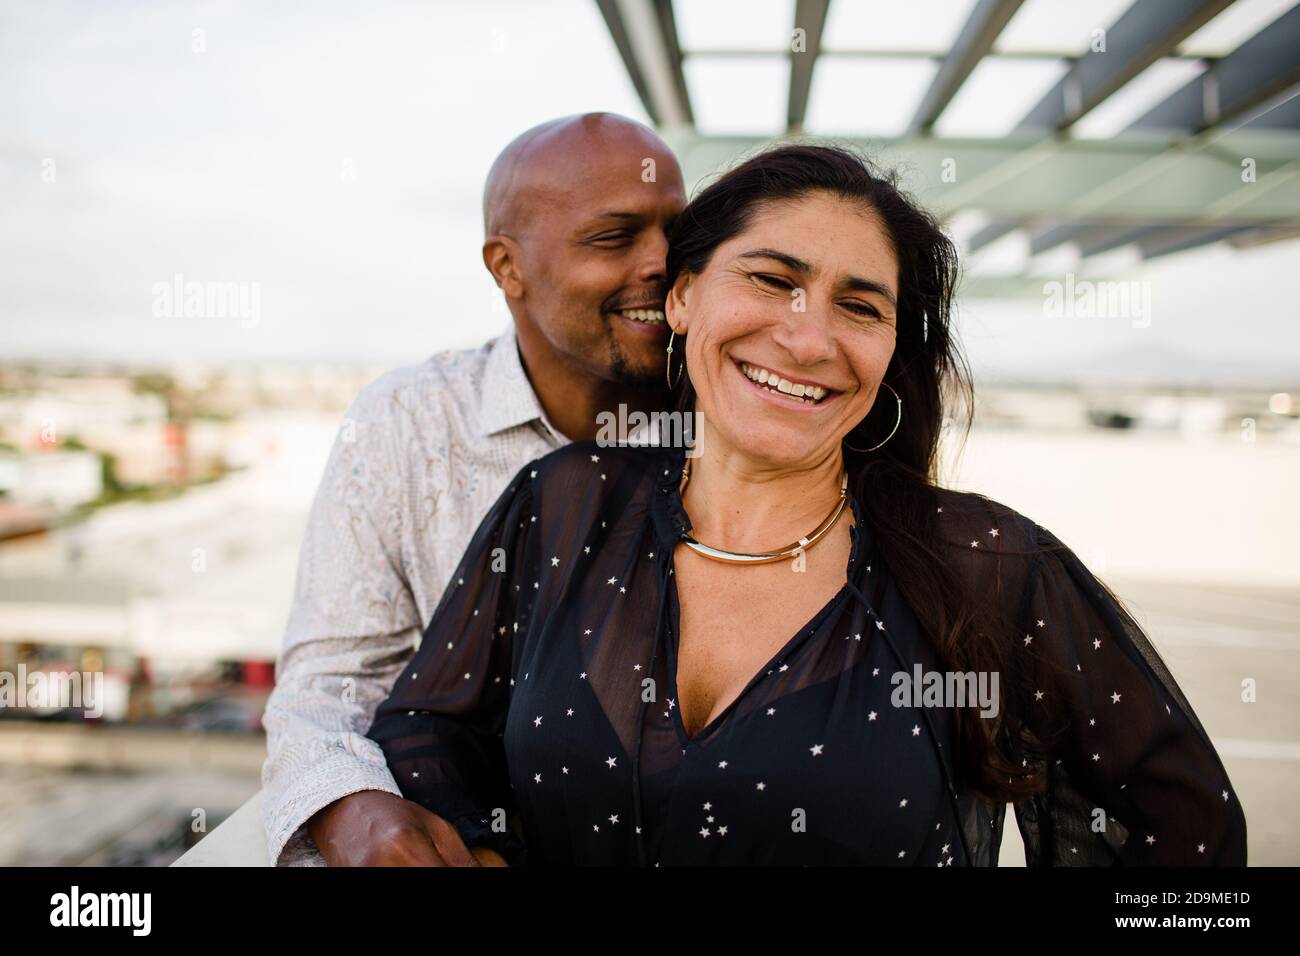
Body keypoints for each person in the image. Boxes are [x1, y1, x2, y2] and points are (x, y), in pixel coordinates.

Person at [366, 144, 1248, 866]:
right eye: (770, 279)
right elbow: (427, 723)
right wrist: (478, 845)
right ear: (681, 296)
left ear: (890, 351)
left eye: (859, 306)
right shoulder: (562, 506)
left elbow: (1185, 842)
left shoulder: (989, 564)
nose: (809, 336)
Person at [260, 113, 686, 866]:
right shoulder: (409, 422)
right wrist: (350, 808)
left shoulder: (742, 418)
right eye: (615, 237)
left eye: (677, 233)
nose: (663, 262)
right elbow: (330, 681)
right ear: (507, 268)